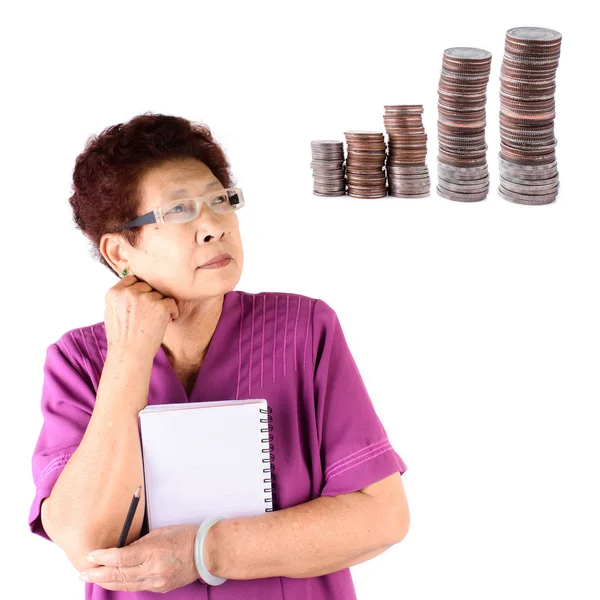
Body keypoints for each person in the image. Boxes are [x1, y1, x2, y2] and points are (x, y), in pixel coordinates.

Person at [28, 112, 410, 599]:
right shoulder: (79, 361)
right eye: (178, 212)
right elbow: (86, 543)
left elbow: (381, 515)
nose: (213, 226)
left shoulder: (304, 330)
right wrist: (127, 358)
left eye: (221, 201)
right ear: (119, 252)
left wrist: (204, 551)